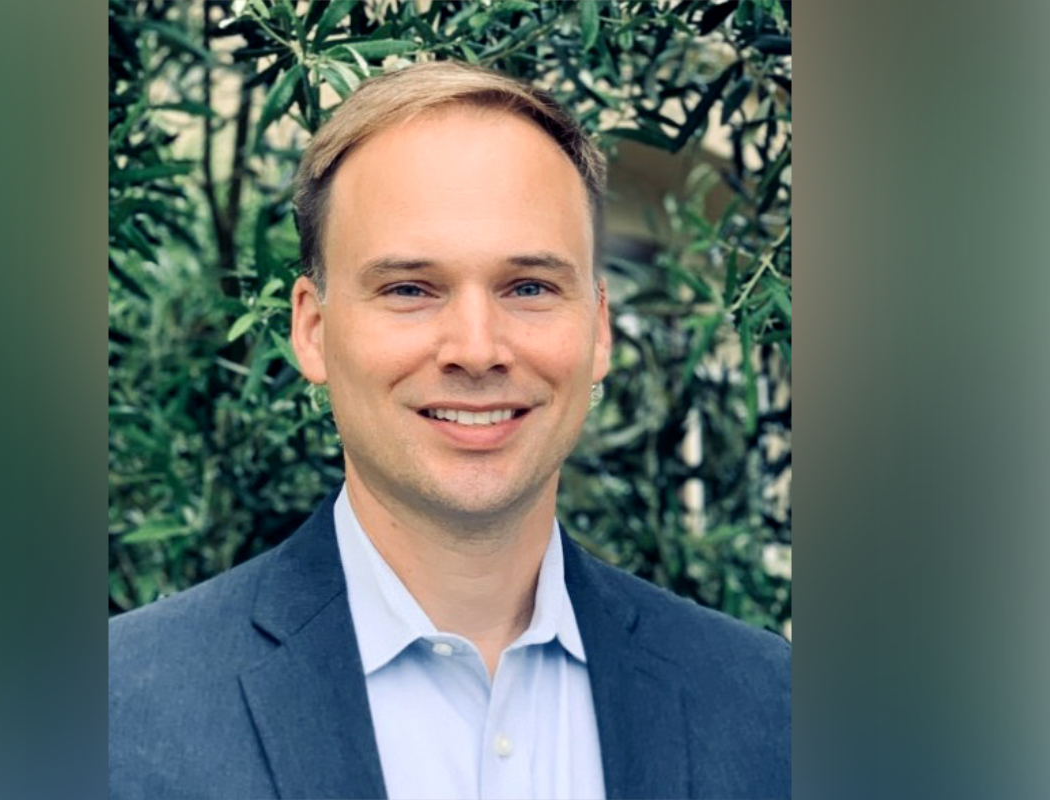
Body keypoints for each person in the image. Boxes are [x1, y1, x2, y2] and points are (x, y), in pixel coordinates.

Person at [109, 60, 790, 800]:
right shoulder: (115, 718)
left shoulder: (768, 711)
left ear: (597, 330)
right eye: (410, 289)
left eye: (528, 287)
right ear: (311, 330)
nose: (476, 348)